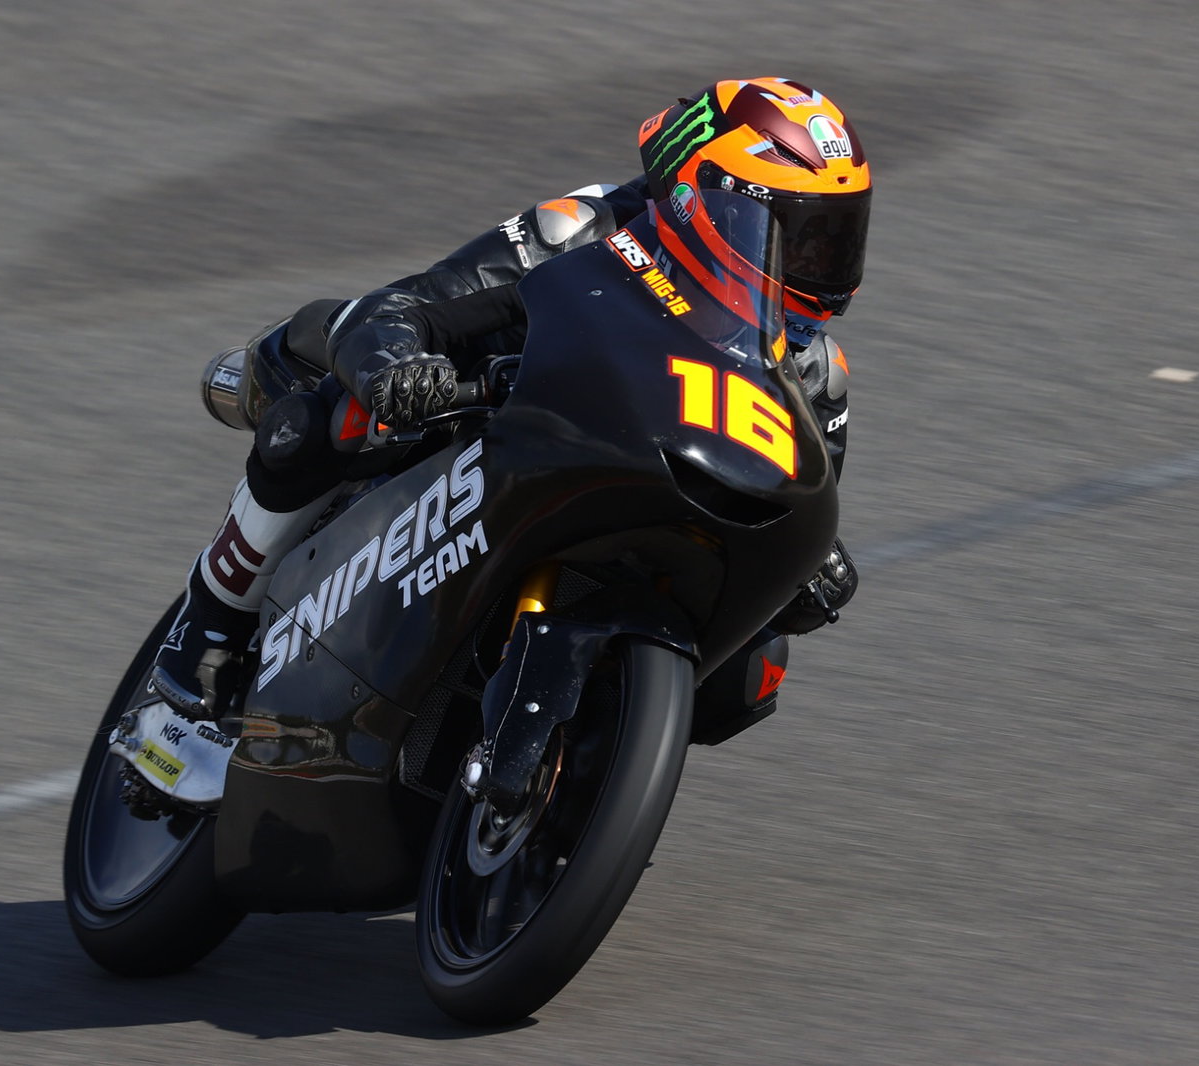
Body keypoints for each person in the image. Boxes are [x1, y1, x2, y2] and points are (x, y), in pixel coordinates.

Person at [150, 76, 869, 720]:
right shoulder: (586, 228)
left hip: (644, 513)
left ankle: (579, 779)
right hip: (487, 429)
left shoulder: (812, 373)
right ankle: (204, 633)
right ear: (697, 195)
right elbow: (409, 307)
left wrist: (805, 576)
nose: (819, 270)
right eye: (798, 240)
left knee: (750, 679)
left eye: (836, 242)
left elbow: (787, 508)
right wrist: (395, 369)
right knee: (325, 407)